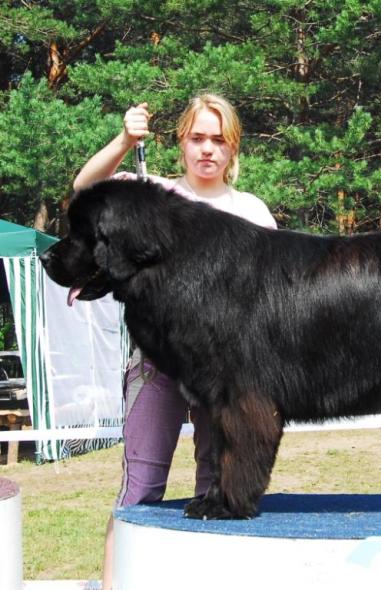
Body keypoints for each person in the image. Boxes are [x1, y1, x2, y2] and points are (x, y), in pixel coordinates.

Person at [73, 93, 277, 590]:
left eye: (218, 140)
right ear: (181, 142)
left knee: (219, 487)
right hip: (156, 371)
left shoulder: (251, 211)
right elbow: (85, 188)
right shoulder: (150, 194)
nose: (207, 150)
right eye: (197, 138)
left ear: (233, 149)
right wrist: (125, 140)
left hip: (227, 379)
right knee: (139, 489)